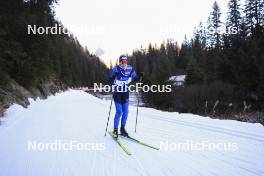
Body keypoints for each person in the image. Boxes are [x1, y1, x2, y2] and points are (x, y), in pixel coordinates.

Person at [108, 55, 143, 138]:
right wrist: (113, 77)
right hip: (117, 93)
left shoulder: (130, 68)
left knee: (126, 112)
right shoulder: (115, 69)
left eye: (125, 62)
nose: (123, 64)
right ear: (119, 62)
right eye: (122, 62)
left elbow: (135, 78)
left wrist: (140, 77)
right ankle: (115, 129)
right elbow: (109, 80)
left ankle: (122, 129)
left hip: (125, 93)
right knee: (119, 111)